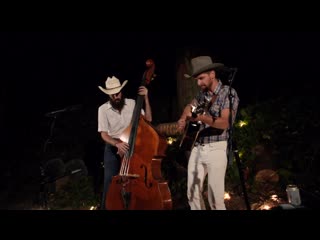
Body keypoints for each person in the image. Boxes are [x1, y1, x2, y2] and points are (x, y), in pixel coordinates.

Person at [177, 56, 240, 210]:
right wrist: (183, 118)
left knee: (214, 199)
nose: (199, 83)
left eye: (201, 78)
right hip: (197, 147)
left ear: (212, 74)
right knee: (192, 194)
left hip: (217, 147)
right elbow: (189, 106)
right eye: (197, 79)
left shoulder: (228, 93)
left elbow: (225, 122)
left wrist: (201, 117)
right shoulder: (201, 95)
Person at [97, 75, 152, 210]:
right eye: (113, 94)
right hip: (113, 145)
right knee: (110, 180)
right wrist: (116, 144)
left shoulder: (132, 103)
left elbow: (149, 120)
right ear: (109, 95)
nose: (116, 96)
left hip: (132, 145)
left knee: (136, 180)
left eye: (118, 93)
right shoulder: (102, 109)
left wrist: (146, 98)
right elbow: (103, 134)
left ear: (121, 91)